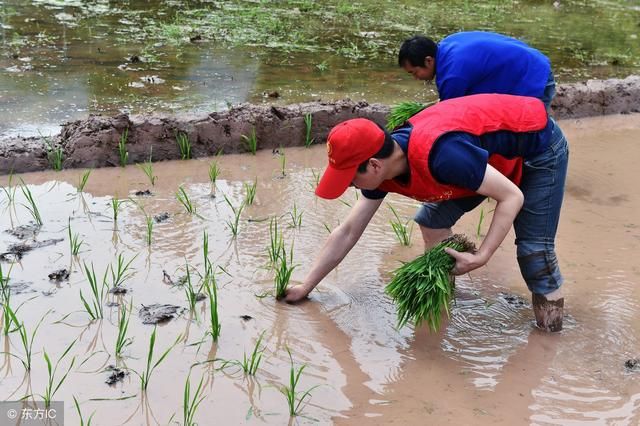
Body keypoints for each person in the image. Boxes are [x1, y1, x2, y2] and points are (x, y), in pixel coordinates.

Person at [285, 93, 569, 332]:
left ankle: (551, 335)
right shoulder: (385, 170)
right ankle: (443, 302)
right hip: (484, 159)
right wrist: (305, 287)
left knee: (535, 252)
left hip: (538, 147)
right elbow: (348, 231)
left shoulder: (442, 155)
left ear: (373, 165)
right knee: (432, 220)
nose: (350, 186)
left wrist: (481, 256)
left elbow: (511, 196)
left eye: (350, 179)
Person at [398, 31, 556, 109]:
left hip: (535, 79)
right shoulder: (447, 44)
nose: (415, 78)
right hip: (534, 62)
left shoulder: (452, 75)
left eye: (414, 72)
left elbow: (449, 116)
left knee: (531, 136)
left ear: (428, 60)